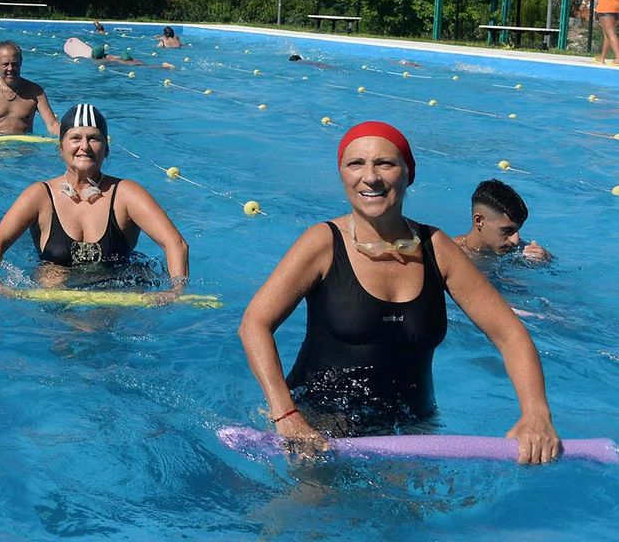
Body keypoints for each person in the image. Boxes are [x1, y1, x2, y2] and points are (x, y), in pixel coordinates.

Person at [238, 121, 561, 463]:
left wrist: (536, 414)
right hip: (320, 424)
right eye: (356, 164)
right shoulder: (322, 243)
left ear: (409, 174)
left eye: (385, 164)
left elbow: (509, 333)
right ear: (342, 175)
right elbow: (254, 323)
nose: (371, 177)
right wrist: (287, 416)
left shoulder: (437, 248)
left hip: (412, 430)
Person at [0, 103, 188, 292]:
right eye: (75, 138)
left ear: (106, 150)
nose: (85, 146)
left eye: (94, 138)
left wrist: (175, 290)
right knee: (51, 276)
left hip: (116, 293)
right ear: (61, 148)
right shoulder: (40, 195)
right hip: (55, 298)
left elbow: (175, 243)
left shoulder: (126, 194)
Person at [455, 179, 551, 263]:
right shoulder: (451, 254)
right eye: (507, 230)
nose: (515, 241)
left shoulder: (517, 249)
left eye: (517, 230)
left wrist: (545, 257)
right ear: (479, 221)